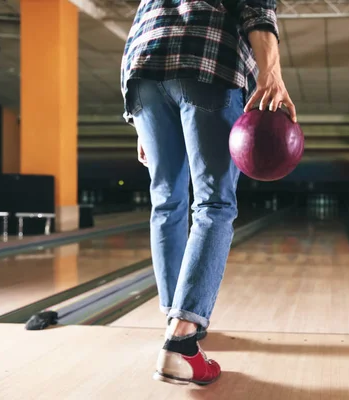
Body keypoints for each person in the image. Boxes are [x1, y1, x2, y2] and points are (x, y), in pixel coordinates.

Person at [120, 0, 296, 387]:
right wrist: (272, 75)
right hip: (207, 61)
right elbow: (257, 10)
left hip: (144, 74)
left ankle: (175, 321)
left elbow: (138, 26)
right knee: (214, 203)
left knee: (166, 200)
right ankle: (181, 341)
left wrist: (137, 118)